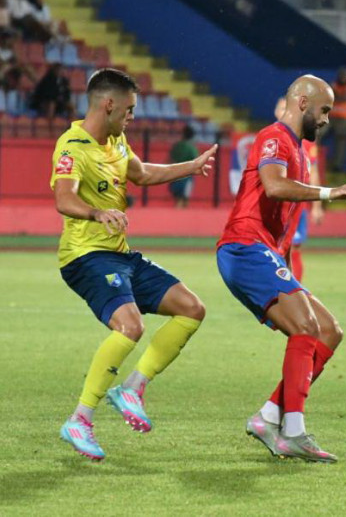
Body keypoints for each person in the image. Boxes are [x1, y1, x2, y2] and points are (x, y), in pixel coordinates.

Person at [52, 68, 217, 461]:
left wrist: (190, 167)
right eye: (128, 109)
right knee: (130, 326)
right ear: (108, 104)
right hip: (85, 256)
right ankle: (80, 419)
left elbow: (141, 173)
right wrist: (96, 212)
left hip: (121, 255)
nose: (132, 116)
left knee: (191, 308)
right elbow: (64, 198)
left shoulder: (116, 140)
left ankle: (132, 388)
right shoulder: (72, 146)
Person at [216, 74, 346, 463]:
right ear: (302, 103)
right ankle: (294, 431)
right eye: (324, 110)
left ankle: (269, 416)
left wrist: (285, 267)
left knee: (329, 331)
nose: (327, 119)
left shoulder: (299, 150)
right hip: (244, 247)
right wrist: (330, 192)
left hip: (265, 253)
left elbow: (281, 219)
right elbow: (273, 186)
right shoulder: (274, 137)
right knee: (306, 327)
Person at [274, 96, 324, 281]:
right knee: (271, 248)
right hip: (274, 204)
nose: (283, 112)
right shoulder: (270, 138)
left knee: (293, 246)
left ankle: (295, 289)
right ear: (275, 112)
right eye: (280, 108)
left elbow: (314, 172)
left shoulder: (306, 141)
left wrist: (317, 206)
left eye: (286, 108)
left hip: (295, 205)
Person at [325, 67, 346, 172]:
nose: (343, 77)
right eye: (342, 75)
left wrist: (337, 97)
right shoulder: (333, 84)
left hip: (344, 118)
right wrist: (339, 97)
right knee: (318, 133)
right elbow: (329, 96)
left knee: (341, 141)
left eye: (345, 75)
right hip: (330, 116)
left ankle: (337, 165)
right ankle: (314, 156)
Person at [169, 124, 198, 208]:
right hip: (187, 176)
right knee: (184, 200)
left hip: (175, 174)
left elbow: (170, 160)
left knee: (177, 199)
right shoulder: (192, 147)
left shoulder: (177, 146)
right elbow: (196, 160)